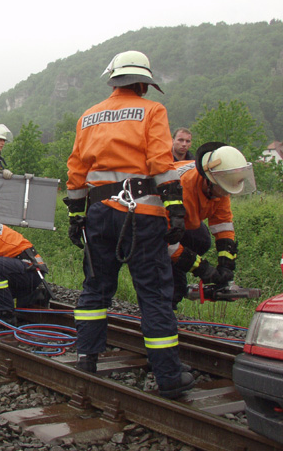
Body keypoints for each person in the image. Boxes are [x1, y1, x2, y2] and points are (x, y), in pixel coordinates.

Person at [65, 50, 194, 399]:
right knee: (153, 295)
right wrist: (176, 209)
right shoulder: (153, 111)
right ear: (142, 82)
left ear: (114, 78)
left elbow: (76, 170)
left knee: (95, 287)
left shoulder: (88, 116)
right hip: (142, 216)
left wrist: (76, 217)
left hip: (98, 214)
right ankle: (168, 377)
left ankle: (86, 359)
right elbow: (160, 162)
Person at [169, 143, 256, 309]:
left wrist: (226, 264)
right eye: (223, 190)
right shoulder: (180, 187)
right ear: (208, 181)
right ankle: (167, 299)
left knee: (201, 240)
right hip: (151, 223)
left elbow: (223, 226)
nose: (226, 195)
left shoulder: (219, 185)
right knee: (170, 273)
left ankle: (174, 278)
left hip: (181, 223)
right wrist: (201, 268)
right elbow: (167, 242)